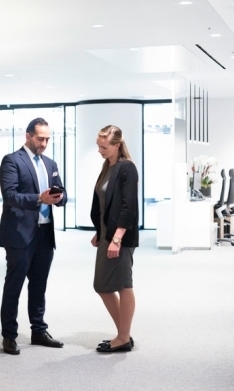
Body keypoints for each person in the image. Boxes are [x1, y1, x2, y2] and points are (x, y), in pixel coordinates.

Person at [0, 117, 67, 355]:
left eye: (47, 139)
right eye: (40, 139)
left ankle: (38, 331)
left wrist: (60, 197)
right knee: (14, 286)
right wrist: (39, 198)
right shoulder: (12, 161)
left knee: (39, 286)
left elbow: (61, 192)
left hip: (45, 234)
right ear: (28, 136)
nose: (44, 143)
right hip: (20, 235)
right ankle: (9, 336)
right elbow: (10, 196)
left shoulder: (50, 163)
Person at [89, 125, 139, 353]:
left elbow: (128, 207)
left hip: (120, 237)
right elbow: (104, 205)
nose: (100, 150)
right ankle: (124, 335)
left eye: (104, 147)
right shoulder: (107, 166)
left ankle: (123, 337)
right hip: (106, 235)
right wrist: (100, 232)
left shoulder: (127, 168)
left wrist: (117, 238)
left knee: (123, 284)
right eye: (98, 146)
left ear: (117, 145)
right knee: (102, 285)